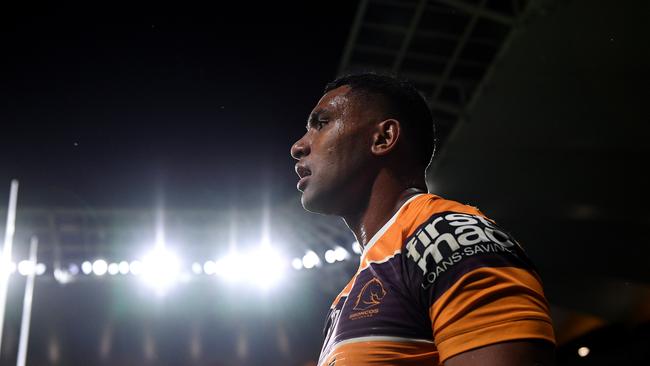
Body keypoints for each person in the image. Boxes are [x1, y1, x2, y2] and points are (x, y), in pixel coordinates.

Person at [290, 73, 555, 366]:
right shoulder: (348, 294)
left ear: (383, 138)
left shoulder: (450, 239)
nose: (298, 147)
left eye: (321, 124)